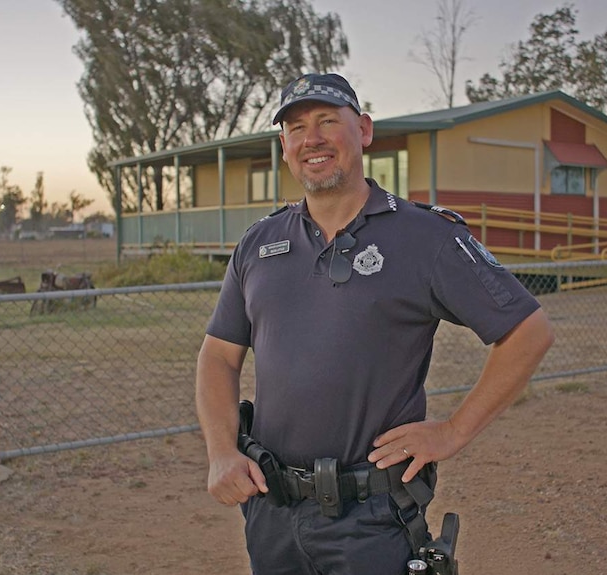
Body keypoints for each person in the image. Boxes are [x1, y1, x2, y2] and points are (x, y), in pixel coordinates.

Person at [195, 72, 554, 575]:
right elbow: (218, 355)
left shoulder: (424, 237)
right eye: (296, 128)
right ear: (284, 146)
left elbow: (528, 331)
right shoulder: (259, 244)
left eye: (326, 121)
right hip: (271, 512)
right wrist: (220, 452)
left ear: (363, 130)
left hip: (371, 518)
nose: (312, 139)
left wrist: (452, 432)